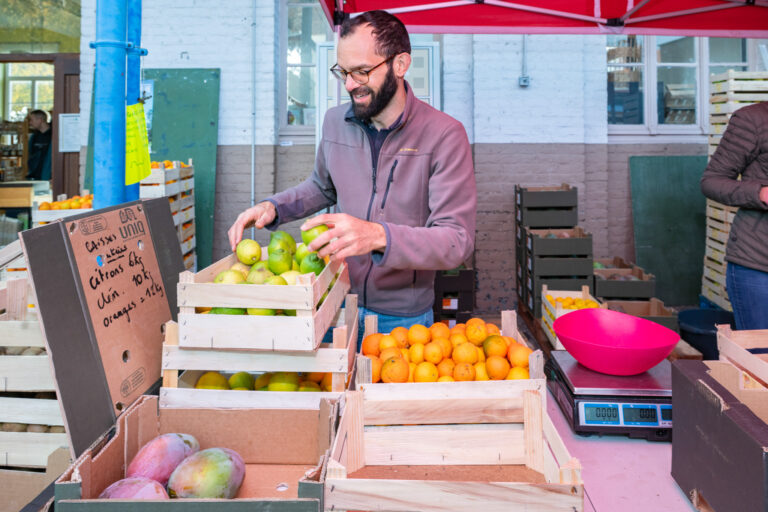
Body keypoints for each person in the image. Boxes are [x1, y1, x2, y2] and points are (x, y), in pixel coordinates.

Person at [229, 10, 476, 342]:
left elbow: (456, 240)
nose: (349, 85)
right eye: (343, 72)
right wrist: (274, 207)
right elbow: (321, 186)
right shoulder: (334, 123)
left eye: (361, 72)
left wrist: (377, 236)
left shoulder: (444, 135)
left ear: (400, 64)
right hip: (334, 300)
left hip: (403, 319)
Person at [701, 101, 768, 330]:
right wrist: (760, 193)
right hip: (758, 263)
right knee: (760, 349)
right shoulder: (754, 119)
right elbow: (712, 181)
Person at [27, 109, 52, 181]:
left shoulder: (53, 136)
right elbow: (31, 156)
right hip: (34, 177)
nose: (30, 123)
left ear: (40, 120)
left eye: (32, 120)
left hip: (49, 178)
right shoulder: (33, 137)